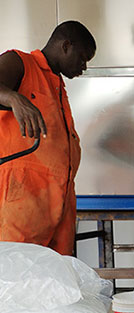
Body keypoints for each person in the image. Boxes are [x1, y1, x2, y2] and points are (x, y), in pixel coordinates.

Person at [0, 21, 96, 256]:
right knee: (18, 277)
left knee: (56, 282)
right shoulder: (20, 62)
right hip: (23, 202)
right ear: (66, 46)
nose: (84, 67)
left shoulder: (56, 85)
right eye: (82, 58)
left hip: (58, 205)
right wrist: (14, 99)